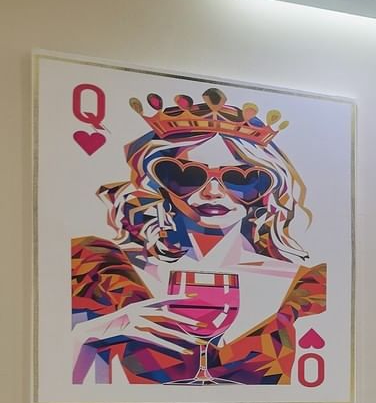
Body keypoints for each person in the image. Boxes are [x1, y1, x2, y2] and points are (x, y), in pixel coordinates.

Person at [69, 89, 324, 385]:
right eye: (187, 175)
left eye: (240, 179)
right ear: (158, 182)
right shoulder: (101, 270)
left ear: (266, 189)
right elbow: (67, 386)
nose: (213, 193)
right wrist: (90, 334)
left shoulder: (306, 286)